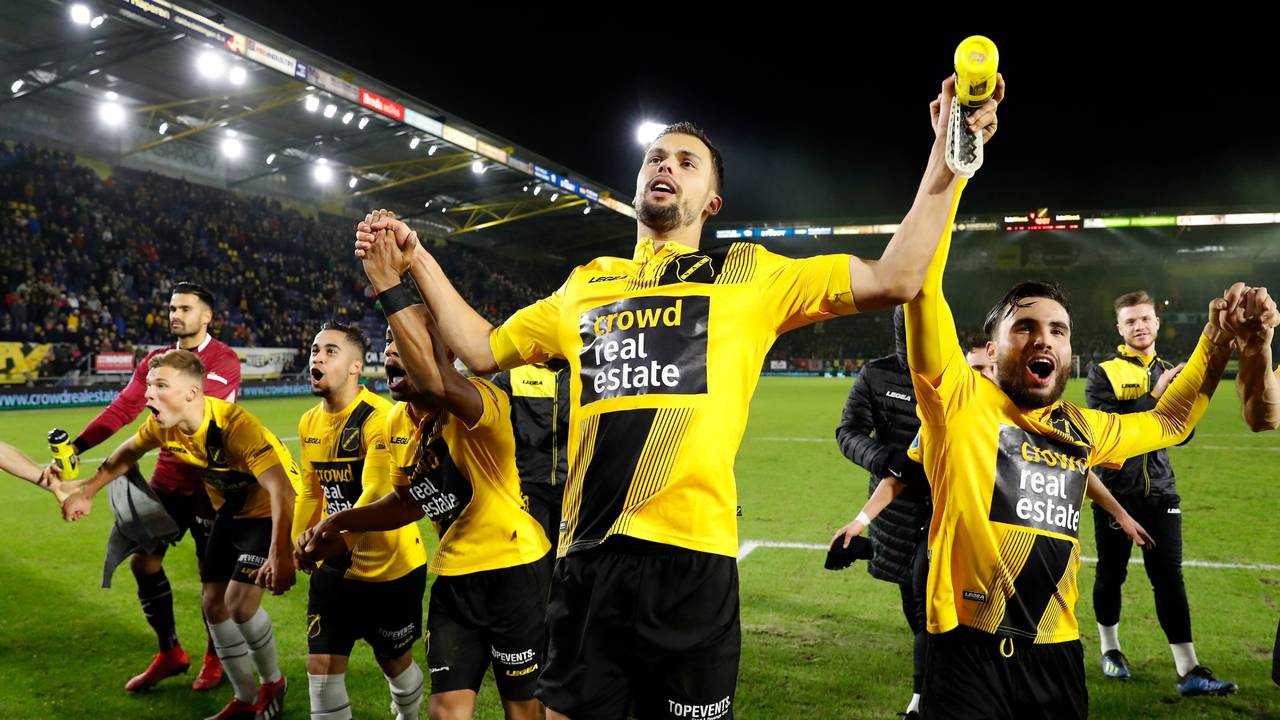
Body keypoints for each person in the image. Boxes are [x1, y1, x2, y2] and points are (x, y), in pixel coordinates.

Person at [62, 349, 297, 720]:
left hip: (272, 509)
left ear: (192, 393)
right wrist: (88, 491)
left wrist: (280, 553)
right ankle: (244, 698)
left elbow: (282, 489)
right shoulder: (164, 425)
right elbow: (126, 453)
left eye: (160, 386)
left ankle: (273, 682)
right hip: (232, 510)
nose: (148, 394)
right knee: (214, 605)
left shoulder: (236, 427)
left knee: (239, 604)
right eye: (149, 386)